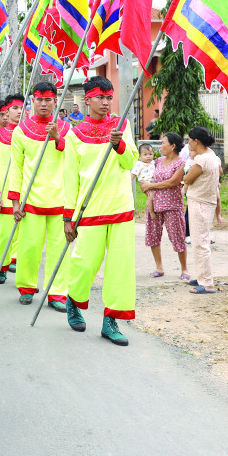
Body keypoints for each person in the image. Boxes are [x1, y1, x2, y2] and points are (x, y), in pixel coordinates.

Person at [61, 76, 137, 346]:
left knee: (120, 268)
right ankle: (73, 300)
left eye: (109, 97)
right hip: (89, 208)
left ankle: (110, 320)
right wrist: (68, 218)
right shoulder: (73, 134)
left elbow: (130, 162)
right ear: (87, 99)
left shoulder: (122, 125)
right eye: (100, 97)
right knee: (84, 262)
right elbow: (70, 179)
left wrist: (119, 145)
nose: (105, 102)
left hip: (120, 206)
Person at [5, 82, 70, 306]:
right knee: (29, 246)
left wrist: (57, 138)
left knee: (58, 248)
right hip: (30, 198)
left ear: (55, 101)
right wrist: (15, 201)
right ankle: (26, 287)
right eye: (39, 99)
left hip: (60, 197)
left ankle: (57, 292)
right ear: (32, 101)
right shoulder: (21, 131)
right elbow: (16, 168)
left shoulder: (67, 129)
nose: (43, 104)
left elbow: (72, 158)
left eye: (48, 100)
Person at [142, 133, 189, 281]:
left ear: (172, 146)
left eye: (163, 143)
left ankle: (184, 268)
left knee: (178, 237)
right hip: (154, 205)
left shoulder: (181, 163)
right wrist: (146, 186)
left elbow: (172, 182)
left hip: (172, 206)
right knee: (153, 235)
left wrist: (151, 185)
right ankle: (159, 267)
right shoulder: (158, 161)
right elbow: (145, 173)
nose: (160, 146)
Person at [0, 94, 25, 272]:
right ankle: (1, 266)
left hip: (26, 193)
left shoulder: (31, 134)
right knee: (4, 234)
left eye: (22, 107)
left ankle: (18, 263)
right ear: (6, 112)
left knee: (24, 236)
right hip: (5, 193)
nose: (19, 111)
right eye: (14, 108)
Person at [182, 127, 222, 294]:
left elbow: (187, 178)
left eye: (189, 140)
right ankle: (201, 277)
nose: (188, 143)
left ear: (195, 141)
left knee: (200, 243)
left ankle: (207, 283)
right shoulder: (212, 156)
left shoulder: (202, 160)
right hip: (206, 202)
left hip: (200, 203)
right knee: (199, 242)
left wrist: (185, 175)